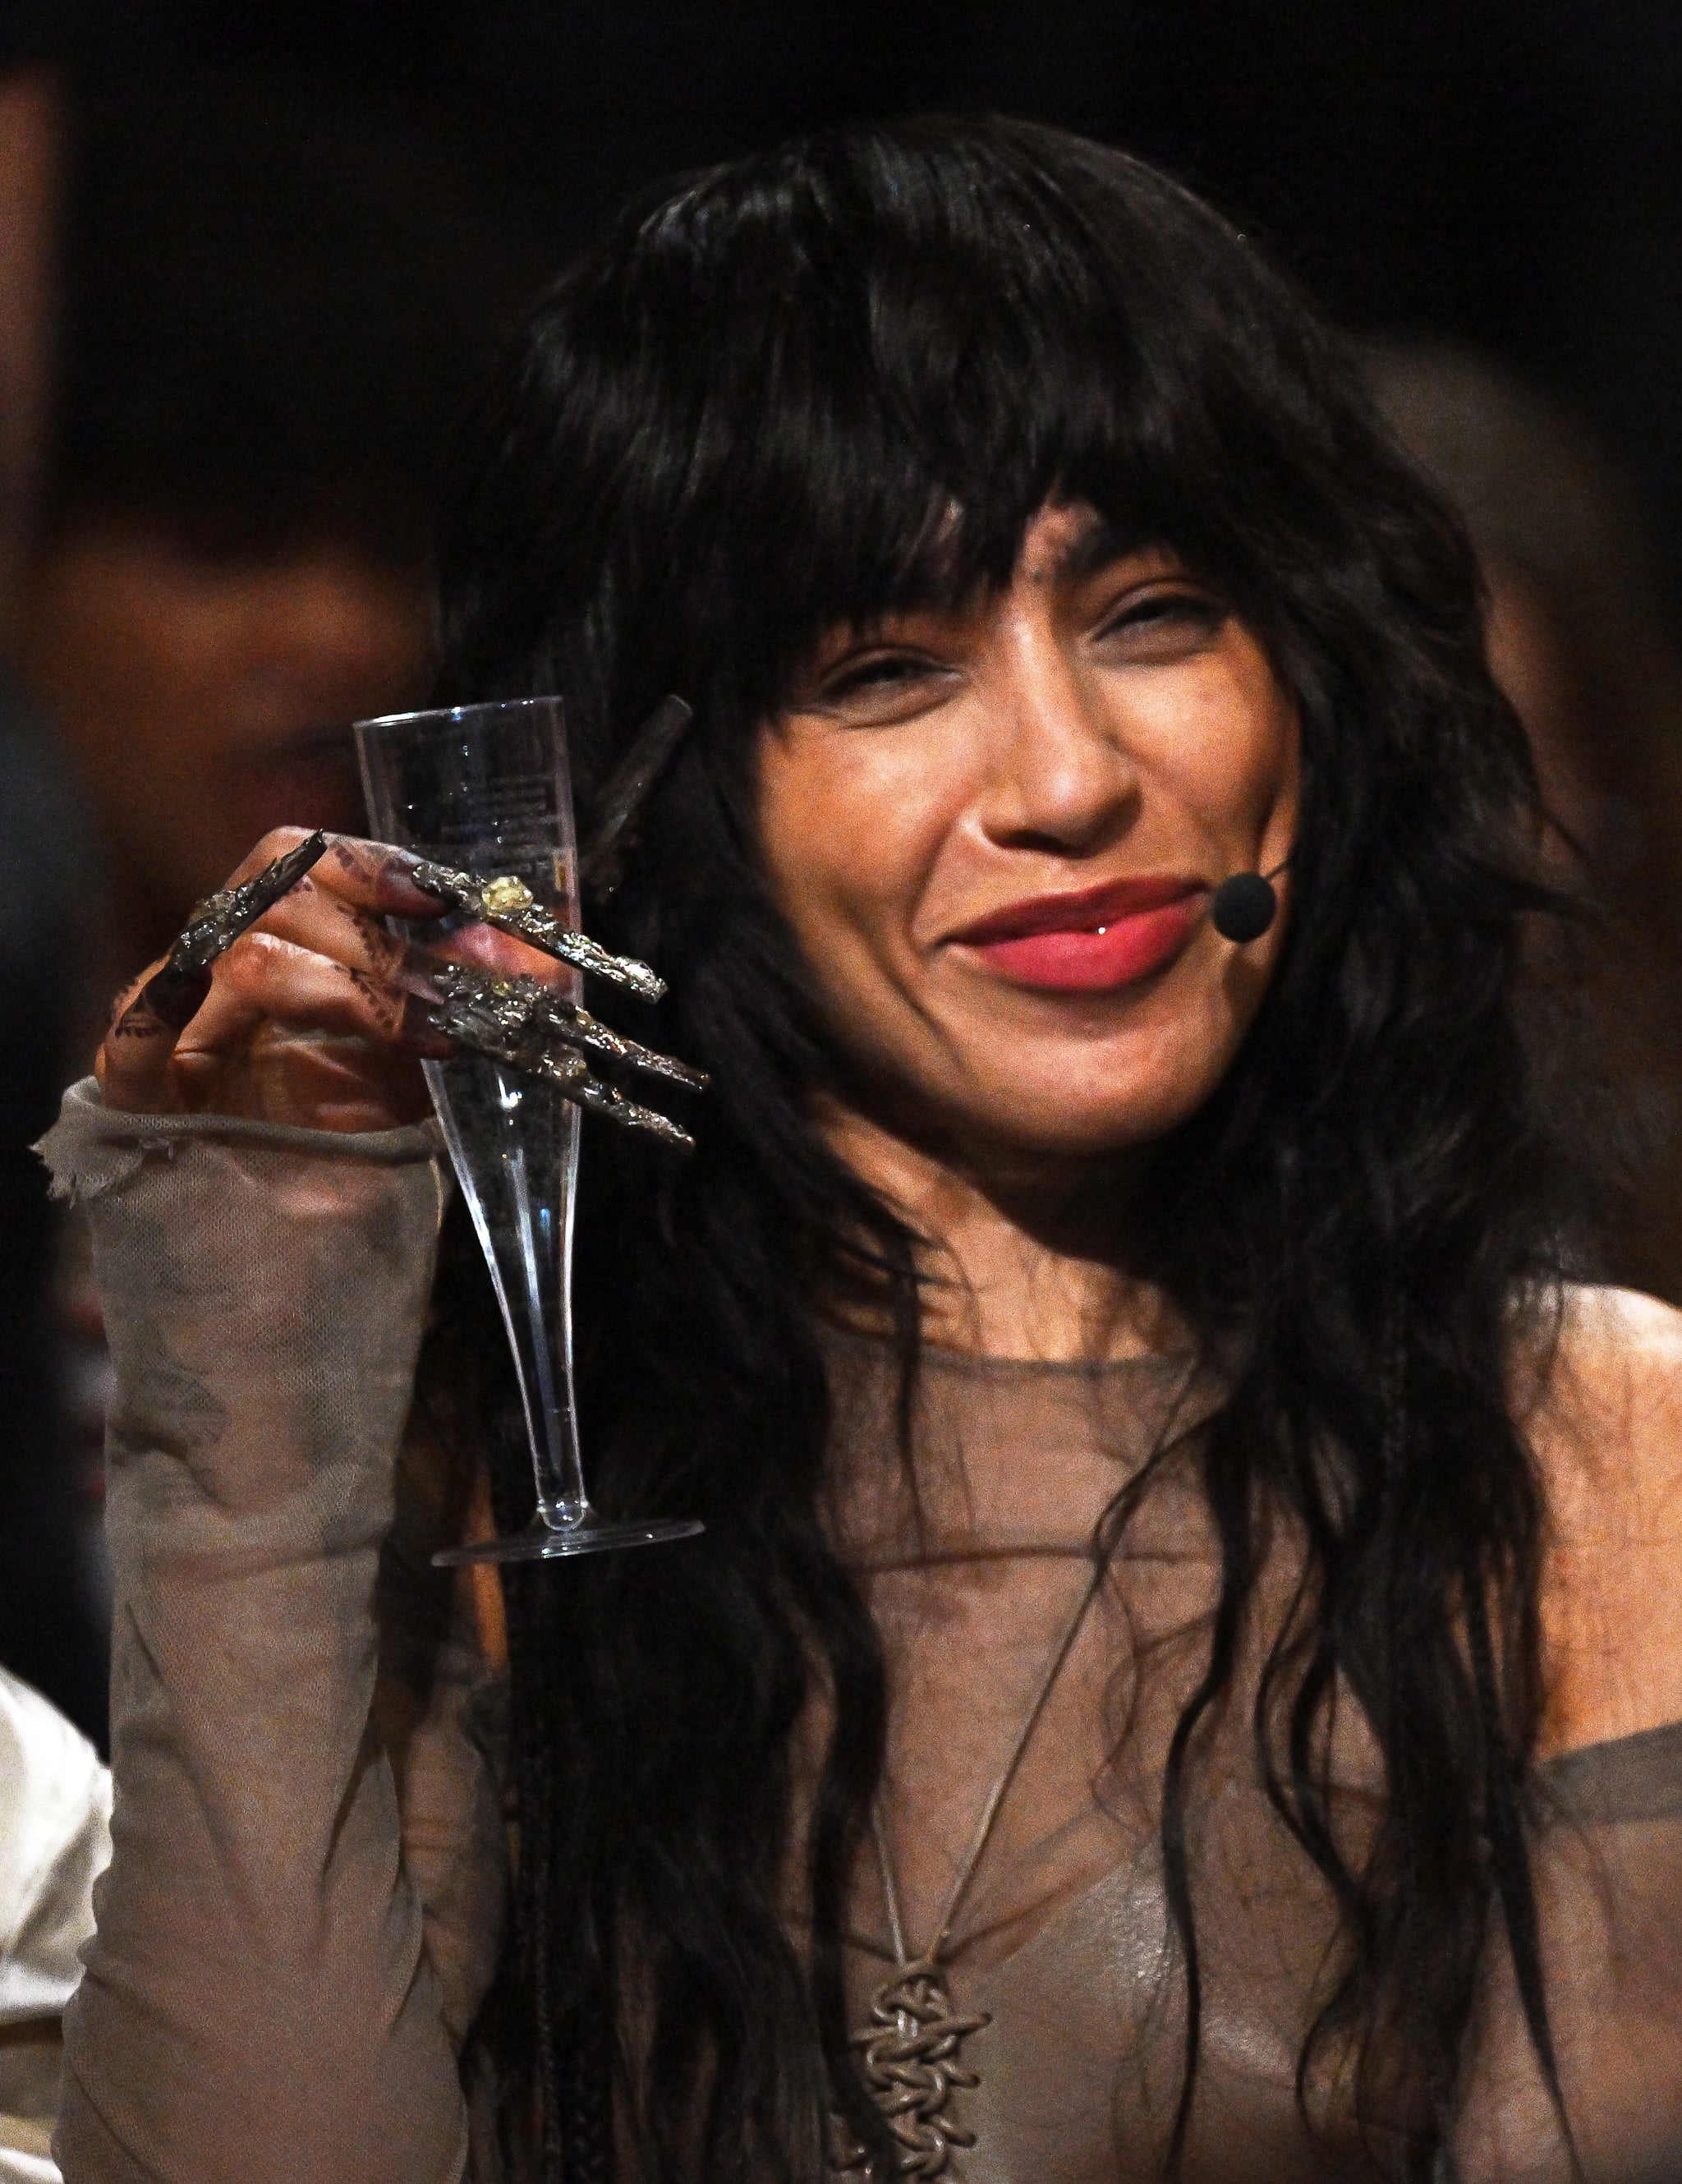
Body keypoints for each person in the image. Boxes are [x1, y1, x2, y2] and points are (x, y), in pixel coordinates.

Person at [36, 117, 1682, 2184]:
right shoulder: (491, 1466)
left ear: (1311, 687)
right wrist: (256, 1344)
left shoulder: (1602, 1459)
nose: (1071, 778)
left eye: (1157, 612)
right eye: (885, 671)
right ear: (674, 788)